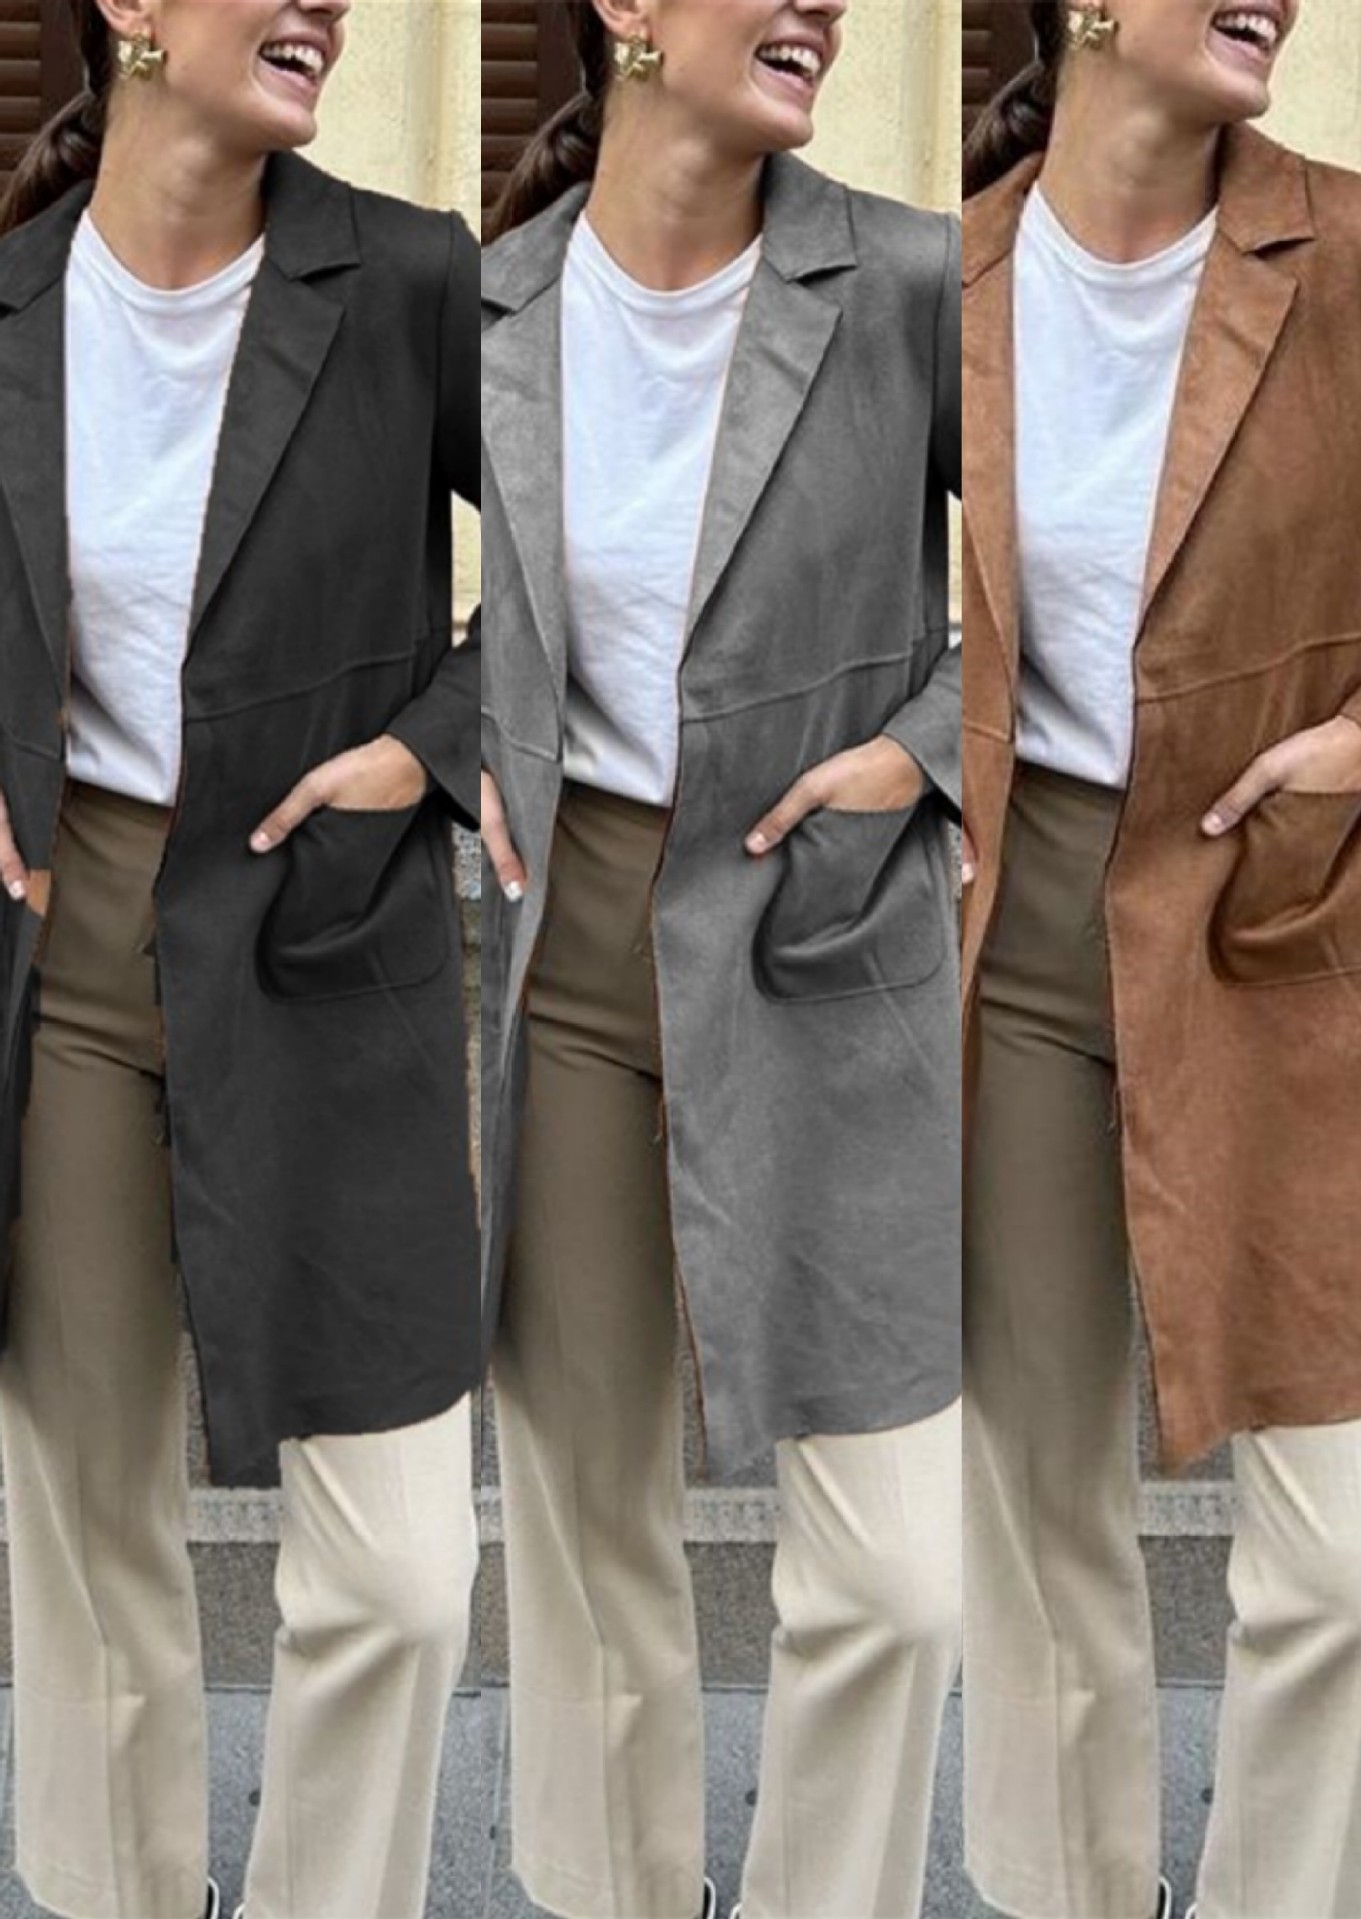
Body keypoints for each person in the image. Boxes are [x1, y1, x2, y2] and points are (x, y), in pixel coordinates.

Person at [477, 2, 962, 1915]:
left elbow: (1075, 586)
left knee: (898, 1572)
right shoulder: (489, 308)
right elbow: (355, 596)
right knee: (592, 1529)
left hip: (827, 930)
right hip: (574, 940)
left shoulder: (910, 280)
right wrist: (450, 738)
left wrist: (918, 754)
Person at [0, 2, 482, 1916]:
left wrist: (426, 753)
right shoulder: (13, 307)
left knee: (402, 1570)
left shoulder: (410, 280)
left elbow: (586, 573)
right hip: (65, 955)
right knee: (86, 1523)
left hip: (326, 932)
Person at [960, 4, 1361, 1915]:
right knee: (1041, 1518)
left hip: (1282, 917)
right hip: (1012, 931)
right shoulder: (946, 276)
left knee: (1354, 1565)